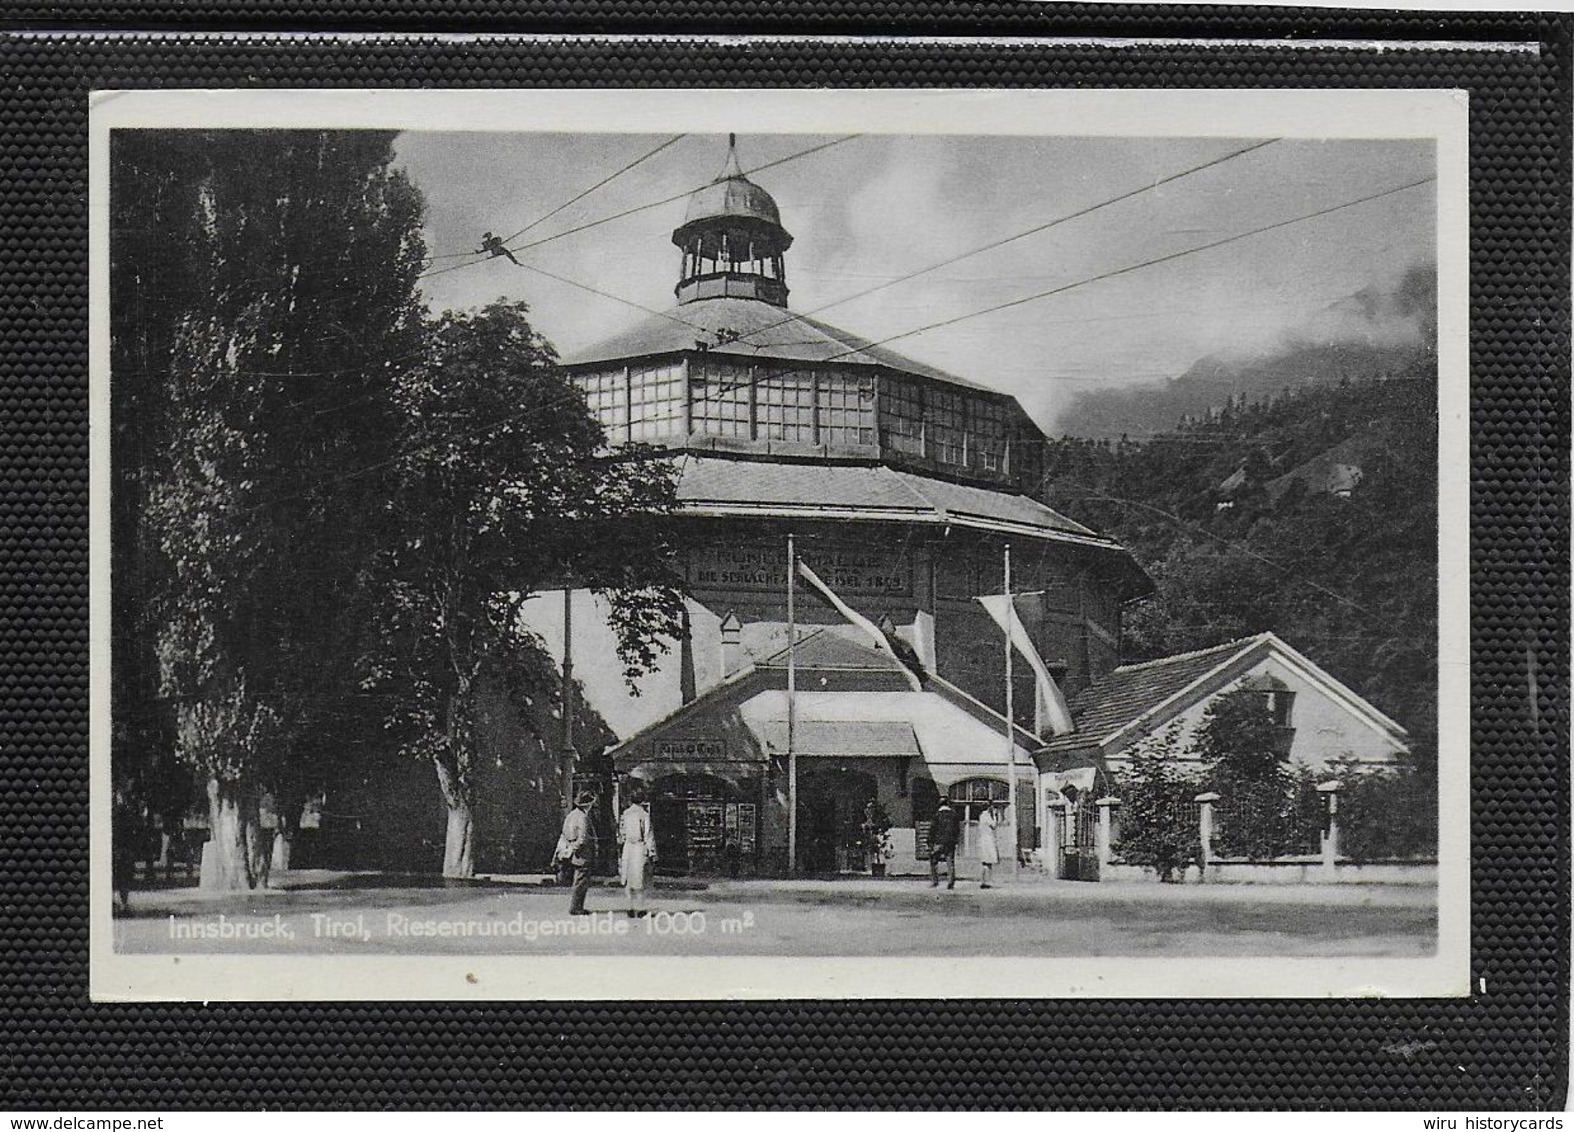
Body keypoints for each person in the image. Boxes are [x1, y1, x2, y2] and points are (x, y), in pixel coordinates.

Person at [617, 783, 655, 919]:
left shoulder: (625, 814)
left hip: (627, 847)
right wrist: (651, 852)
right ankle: (641, 909)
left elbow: (621, 834)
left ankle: (630, 908)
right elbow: (648, 834)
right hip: (639, 847)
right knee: (639, 878)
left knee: (627, 878)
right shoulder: (644, 814)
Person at [560, 789, 596, 915]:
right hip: (583, 854)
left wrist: (569, 847)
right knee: (581, 882)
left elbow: (564, 832)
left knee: (578, 880)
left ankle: (576, 906)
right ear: (588, 804)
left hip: (572, 852)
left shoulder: (571, 815)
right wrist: (575, 847)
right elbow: (583, 838)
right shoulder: (583, 818)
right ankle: (576, 907)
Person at [929, 796, 959, 889]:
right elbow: (957, 829)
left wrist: (930, 841)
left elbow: (932, 829)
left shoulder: (937, 815)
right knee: (950, 862)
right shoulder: (954, 814)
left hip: (939, 841)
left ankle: (935, 881)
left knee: (933, 860)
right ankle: (950, 882)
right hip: (950, 842)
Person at [978, 801, 1001, 889]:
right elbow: (994, 825)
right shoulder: (986, 816)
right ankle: (987, 880)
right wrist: (995, 815)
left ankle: (985, 880)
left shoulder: (981, 815)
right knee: (988, 860)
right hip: (988, 839)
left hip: (984, 839)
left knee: (985, 861)